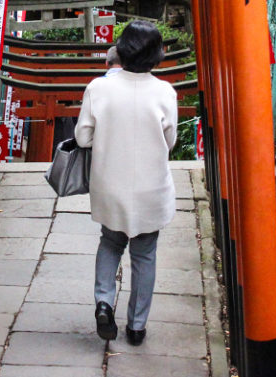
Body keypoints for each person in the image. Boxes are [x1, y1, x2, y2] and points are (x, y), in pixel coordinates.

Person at [75, 20, 177, 346]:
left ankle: (104, 302)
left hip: (110, 185)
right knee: (145, 255)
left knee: (110, 242)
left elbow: (82, 136)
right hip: (151, 188)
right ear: (156, 55)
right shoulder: (165, 92)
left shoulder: (98, 88)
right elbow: (170, 140)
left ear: (122, 50)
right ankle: (136, 326)